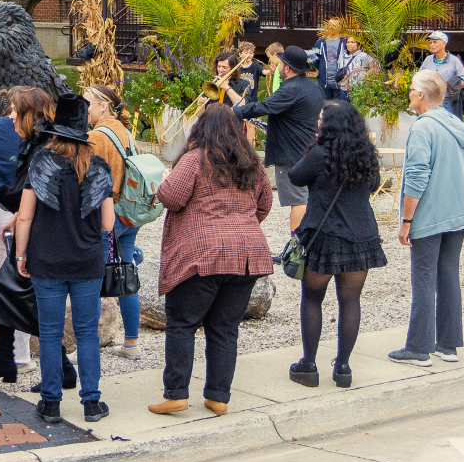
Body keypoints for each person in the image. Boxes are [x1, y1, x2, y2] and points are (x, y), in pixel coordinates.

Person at [145, 103, 266, 413]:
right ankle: (218, 397)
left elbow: (171, 197)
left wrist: (162, 182)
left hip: (203, 254)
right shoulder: (252, 162)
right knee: (225, 327)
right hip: (247, 254)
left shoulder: (195, 159)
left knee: (183, 323)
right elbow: (264, 204)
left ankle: (176, 394)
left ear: (200, 128)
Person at [14, 96, 114, 425]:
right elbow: (108, 224)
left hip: (47, 261)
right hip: (87, 262)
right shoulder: (98, 166)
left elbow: (25, 218)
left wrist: (20, 253)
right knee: (87, 333)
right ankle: (91, 403)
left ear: (57, 131)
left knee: (50, 333)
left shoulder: (41, 162)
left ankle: (51, 403)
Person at [287, 100, 385, 385]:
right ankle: (343, 368)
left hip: (325, 236)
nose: (317, 122)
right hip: (361, 235)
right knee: (351, 300)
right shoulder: (366, 152)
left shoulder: (320, 153)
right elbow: (374, 182)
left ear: (327, 125)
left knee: (313, 299)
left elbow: (295, 176)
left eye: (320, 119)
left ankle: (308, 365)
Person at [390, 71, 464, 367]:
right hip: (458, 211)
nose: (409, 93)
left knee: (424, 279)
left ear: (422, 96)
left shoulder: (423, 128)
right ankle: (448, 344)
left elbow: (416, 176)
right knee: (448, 276)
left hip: (432, 214)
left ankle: (418, 347)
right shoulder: (455, 123)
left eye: (412, 89)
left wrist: (406, 220)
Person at [0, 86, 55, 384]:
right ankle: (7, 359)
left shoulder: (42, 148)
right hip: (23, 221)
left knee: (25, 297)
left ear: (29, 115)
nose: (9, 117)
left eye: (14, 112)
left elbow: (29, 193)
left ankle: (59, 368)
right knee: (4, 291)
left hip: (40, 231)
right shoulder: (35, 144)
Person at [235, 46, 325, 232]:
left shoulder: (290, 89)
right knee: (307, 199)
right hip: (308, 150)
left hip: (291, 153)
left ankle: (296, 252)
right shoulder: (313, 87)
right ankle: (305, 248)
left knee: (298, 201)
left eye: (280, 64)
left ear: (288, 68)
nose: (278, 67)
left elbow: (263, 107)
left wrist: (231, 112)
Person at [84, 85, 142, 359]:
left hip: (109, 212)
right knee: (126, 272)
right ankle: (131, 342)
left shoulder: (96, 135)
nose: (85, 109)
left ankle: (89, 342)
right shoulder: (125, 132)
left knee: (92, 277)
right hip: (131, 211)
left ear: (102, 106)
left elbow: (86, 176)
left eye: (88, 103)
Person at [418, 31, 464, 118]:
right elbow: (418, 79)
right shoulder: (428, 60)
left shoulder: (454, 61)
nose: (432, 45)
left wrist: (446, 85)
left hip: (448, 104)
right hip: (429, 104)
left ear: (443, 43)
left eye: (435, 42)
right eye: (430, 42)